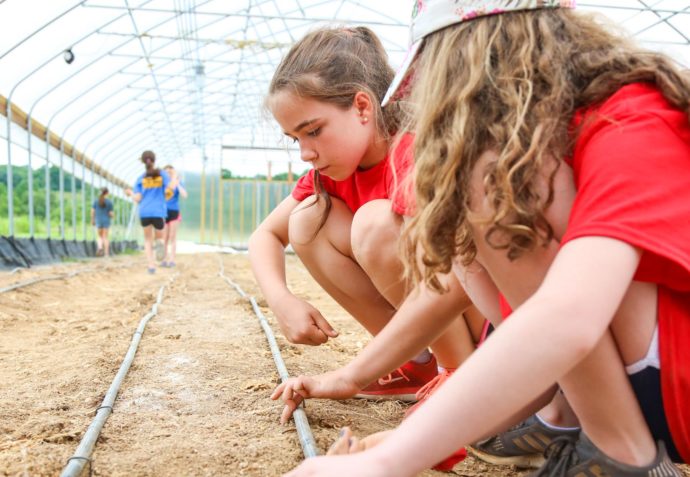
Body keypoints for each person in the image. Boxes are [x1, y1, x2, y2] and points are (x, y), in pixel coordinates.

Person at [279, 1, 690, 476]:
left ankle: (621, 453)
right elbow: (496, 318)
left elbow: (567, 318)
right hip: (634, 380)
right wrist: (409, 432)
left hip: (673, 380)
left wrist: (389, 462)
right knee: (478, 196)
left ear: (480, 56)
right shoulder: (539, 148)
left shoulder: (629, 117)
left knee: (490, 178)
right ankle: (565, 421)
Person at [249, 26, 487, 428]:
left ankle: (461, 378)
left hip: (487, 321)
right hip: (439, 310)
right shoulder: (334, 171)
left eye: (313, 130)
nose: (306, 152)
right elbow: (265, 236)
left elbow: (456, 279)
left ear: (362, 107)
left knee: (374, 224)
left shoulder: (416, 150)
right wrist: (282, 299)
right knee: (307, 219)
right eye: (295, 140)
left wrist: (351, 374)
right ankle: (417, 364)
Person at [126, 150, 175, 274]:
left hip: (145, 212)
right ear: (154, 160)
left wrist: (130, 193)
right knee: (160, 238)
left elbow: (137, 198)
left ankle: (151, 266)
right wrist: (173, 177)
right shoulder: (162, 175)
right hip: (158, 211)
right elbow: (170, 189)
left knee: (148, 240)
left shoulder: (140, 178)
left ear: (143, 161)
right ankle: (160, 246)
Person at [161, 165, 187, 267]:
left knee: (172, 236)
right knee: (165, 237)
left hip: (174, 211)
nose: (168, 173)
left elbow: (184, 195)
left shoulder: (178, 182)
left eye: (170, 171)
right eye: (166, 171)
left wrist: (177, 183)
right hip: (164, 212)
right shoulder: (163, 183)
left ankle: (172, 260)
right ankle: (164, 259)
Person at [91, 187, 114, 257]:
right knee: (105, 237)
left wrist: (92, 220)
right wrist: (112, 216)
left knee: (100, 236)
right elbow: (111, 214)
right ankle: (106, 254)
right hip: (106, 221)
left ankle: (100, 248)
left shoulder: (95, 201)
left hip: (98, 220)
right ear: (107, 193)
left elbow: (92, 211)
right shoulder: (109, 202)